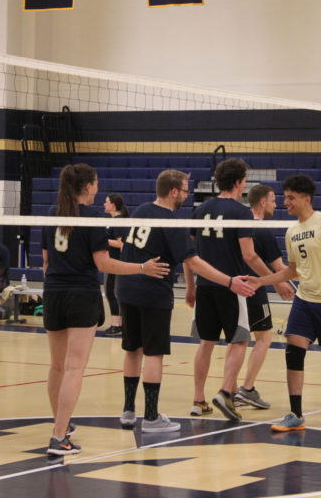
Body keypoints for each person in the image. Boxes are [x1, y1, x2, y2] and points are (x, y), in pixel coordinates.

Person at [41, 164, 170, 455]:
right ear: (87, 186)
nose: (98, 187)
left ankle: (60, 424)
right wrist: (142, 267)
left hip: (53, 293)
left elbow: (46, 261)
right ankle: (59, 436)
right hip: (81, 294)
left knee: (57, 366)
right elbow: (103, 263)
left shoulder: (51, 213)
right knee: (74, 367)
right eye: (96, 182)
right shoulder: (92, 216)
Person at [119, 169, 254, 432]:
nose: (186, 194)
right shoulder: (170, 220)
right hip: (152, 292)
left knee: (131, 349)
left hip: (126, 288)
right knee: (154, 353)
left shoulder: (140, 210)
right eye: (184, 189)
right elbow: (193, 262)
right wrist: (228, 281)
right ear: (173, 192)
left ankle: (127, 411)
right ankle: (150, 417)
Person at [250, 174, 321, 431]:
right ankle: (296, 413)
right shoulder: (292, 231)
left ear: (306, 199)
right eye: (284, 197)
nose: (285, 202)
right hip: (305, 300)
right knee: (293, 351)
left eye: (291, 198)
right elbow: (292, 271)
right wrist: (261, 281)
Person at [185, 159, 282, 422]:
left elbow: (188, 254)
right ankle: (226, 392)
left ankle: (198, 400)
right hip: (232, 285)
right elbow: (249, 256)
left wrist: (191, 286)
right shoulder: (241, 212)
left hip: (205, 285)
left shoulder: (200, 209)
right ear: (240, 182)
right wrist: (275, 279)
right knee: (239, 340)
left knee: (206, 343)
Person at [233, 184, 294, 410]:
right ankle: (247, 389)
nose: (276, 204)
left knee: (237, 340)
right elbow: (280, 267)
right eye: (273, 200)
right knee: (264, 338)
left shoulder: (238, 225)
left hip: (234, 288)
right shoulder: (263, 231)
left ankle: (229, 389)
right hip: (254, 291)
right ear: (262, 203)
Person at [102, 193, 129, 337]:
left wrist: (103, 241)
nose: (104, 204)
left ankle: (117, 325)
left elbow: (121, 244)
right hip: (111, 262)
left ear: (113, 204)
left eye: (106, 202)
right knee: (112, 293)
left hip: (115, 263)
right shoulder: (114, 220)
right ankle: (119, 324)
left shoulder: (117, 221)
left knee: (112, 293)